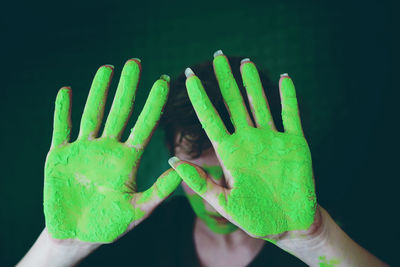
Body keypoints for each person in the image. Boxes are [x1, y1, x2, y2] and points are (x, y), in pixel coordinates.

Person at [17, 51, 389, 267]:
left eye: (232, 172)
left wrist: (316, 241)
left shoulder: (333, 235)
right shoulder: (141, 239)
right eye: (199, 168)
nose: (216, 190)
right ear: (170, 156)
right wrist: (58, 248)